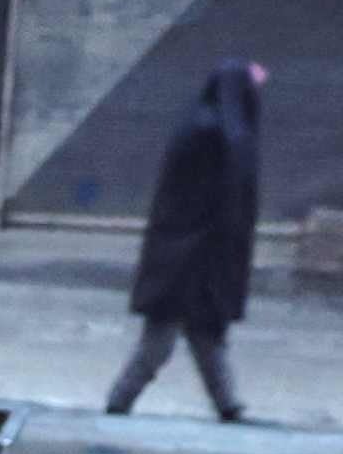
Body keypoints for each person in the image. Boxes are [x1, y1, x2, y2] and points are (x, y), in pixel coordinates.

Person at [106, 62, 267, 420]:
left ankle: (227, 404)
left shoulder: (209, 130)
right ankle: (119, 402)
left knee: (205, 331)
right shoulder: (212, 136)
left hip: (195, 255)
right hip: (186, 256)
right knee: (163, 337)